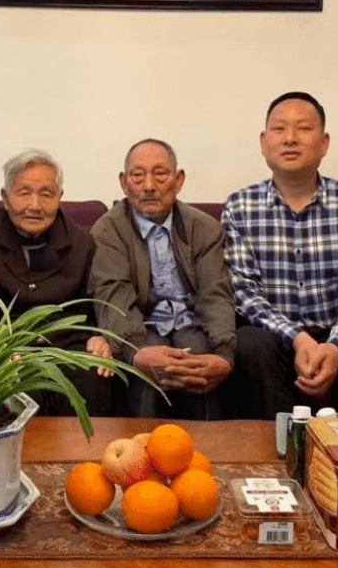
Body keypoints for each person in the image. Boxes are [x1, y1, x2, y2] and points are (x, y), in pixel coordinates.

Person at [223, 92, 338, 420]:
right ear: (263, 142)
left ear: (324, 143)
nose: (290, 138)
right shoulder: (239, 207)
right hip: (275, 336)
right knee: (248, 344)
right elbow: (242, 292)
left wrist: (336, 345)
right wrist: (296, 338)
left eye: (303, 128)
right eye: (279, 129)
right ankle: (272, 449)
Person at [88, 139, 236, 419]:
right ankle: (140, 446)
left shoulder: (204, 228)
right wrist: (135, 352)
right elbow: (113, 296)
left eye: (160, 174)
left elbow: (215, 294)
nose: (149, 186)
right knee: (149, 365)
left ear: (179, 180)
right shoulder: (107, 231)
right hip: (140, 324)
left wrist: (224, 353)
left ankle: (208, 446)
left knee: (198, 360)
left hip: (191, 323)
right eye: (137, 176)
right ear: (123, 182)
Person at [0, 149, 113, 416]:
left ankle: (88, 445)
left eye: (46, 194)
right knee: (7, 382)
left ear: (60, 197)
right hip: (3, 344)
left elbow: (91, 306)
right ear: (5, 197)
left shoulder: (81, 242)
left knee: (96, 376)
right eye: (24, 193)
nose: (34, 206)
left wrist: (100, 337)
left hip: (65, 346)